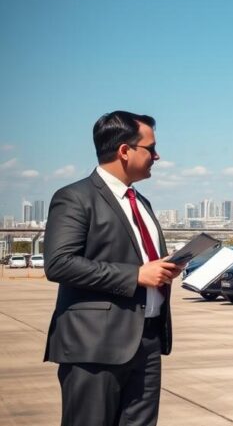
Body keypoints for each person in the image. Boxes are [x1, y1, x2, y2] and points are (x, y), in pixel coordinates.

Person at [43, 111, 182, 426]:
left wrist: (164, 268)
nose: (157, 156)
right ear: (124, 150)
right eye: (150, 148)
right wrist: (135, 275)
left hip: (147, 341)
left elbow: (140, 259)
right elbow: (58, 263)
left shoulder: (141, 202)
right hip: (95, 346)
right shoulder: (75, 198)